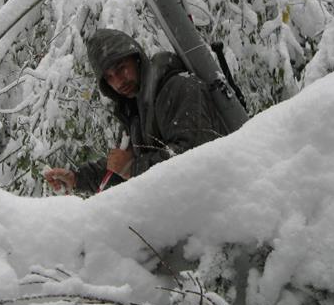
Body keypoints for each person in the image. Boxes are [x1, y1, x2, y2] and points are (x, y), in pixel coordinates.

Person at [44, 28, 226, 195]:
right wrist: (77, 179)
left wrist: (134, 168)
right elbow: (120, 170)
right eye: (109, 78)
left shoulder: (178, 87)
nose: (118, 82)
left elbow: (194, 156)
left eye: (121, 68)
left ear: (137, 59)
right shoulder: (134, 109)